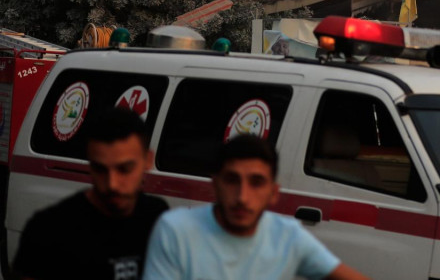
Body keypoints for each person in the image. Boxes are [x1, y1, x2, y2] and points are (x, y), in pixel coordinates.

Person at [142, 136, 369, 280]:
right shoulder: (176, 230)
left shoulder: (288, 236)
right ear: (215, 184)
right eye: (232, 180)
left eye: (256, 183)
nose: (242, 197)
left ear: (274, 193)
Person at [13, 107, 169, 280]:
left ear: (148, 160)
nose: (112, 184)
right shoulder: (48, 231)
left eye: (124, 169)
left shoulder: (157, 217)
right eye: (100, 169)